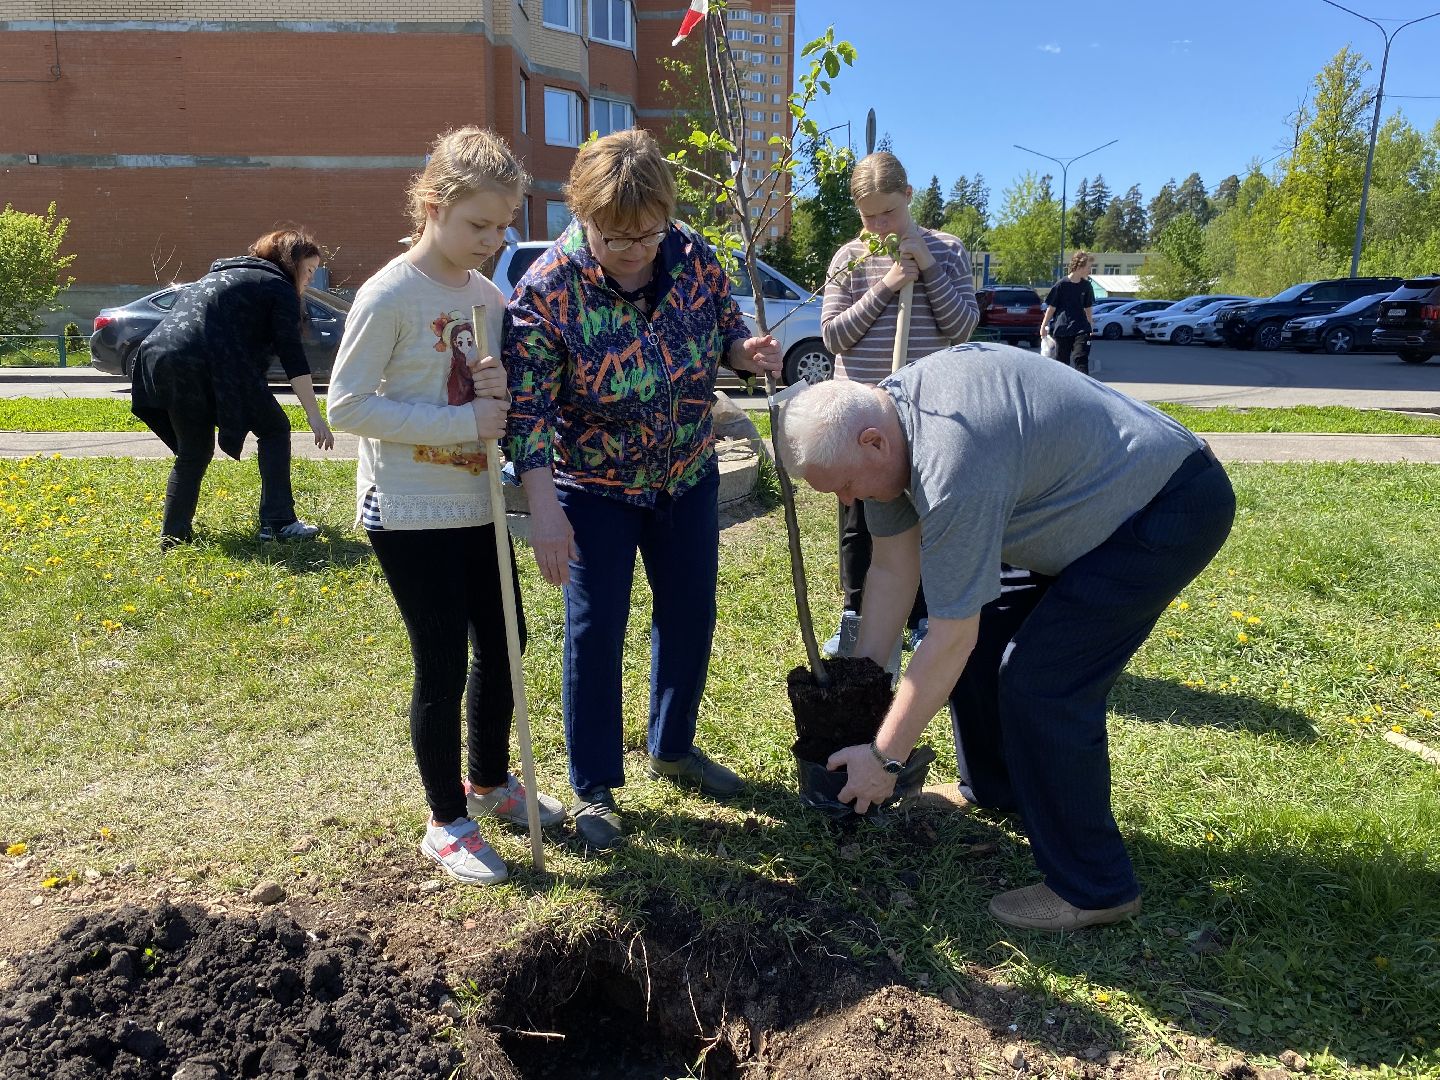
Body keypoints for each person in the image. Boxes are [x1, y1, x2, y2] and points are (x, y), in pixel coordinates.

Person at [779, 342, 1235, 931]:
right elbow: (893, 571)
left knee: (1041, 682)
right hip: (1082, 505)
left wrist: (884, 760)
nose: (847, 502)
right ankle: (994, 787)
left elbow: (947, 638)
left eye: (843, 485)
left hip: (1161, 507)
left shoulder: (952, 462)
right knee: (986, 633)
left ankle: (1094, 887)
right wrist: (860, 701)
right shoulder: (887, 426)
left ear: (872, 442)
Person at [503, 128, 781, 850]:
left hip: (686, 471)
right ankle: (594, 784)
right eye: (617, 236)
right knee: (597, 630)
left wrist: (744, 351)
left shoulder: (690, 253)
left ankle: (672, 744)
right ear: (582, 215)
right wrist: (543, 509)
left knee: (690, 611)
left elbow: (725, 327)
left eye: (648, 232)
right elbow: (527, 413)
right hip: (592, 486)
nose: (636, 249)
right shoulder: (546, 292)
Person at [328, 127, 565, 886]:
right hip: (407, 509)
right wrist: (462, 421)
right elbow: (347, 406)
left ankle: (490, 783)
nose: (494, 241)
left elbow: (491, 385)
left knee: (506, 646)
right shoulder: (390, 293)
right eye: (479, 226)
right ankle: (445, 820)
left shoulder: (488, 296)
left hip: (474, 502)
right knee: (442, 660)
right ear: (432, 206)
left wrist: (494, 388)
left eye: (504, 227)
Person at [819, 151, 979, 660]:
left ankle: (922, 615)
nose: (878, 225)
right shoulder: (850, 260)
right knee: (859, 516)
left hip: (928, 414)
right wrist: (886, 285)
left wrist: (927, 269)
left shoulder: (948, 251)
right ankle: (856, 611)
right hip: (859, 412)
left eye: (887, 212)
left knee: (927, 512)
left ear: (908, 196)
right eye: (868, 216)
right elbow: (833, 338)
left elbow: (962, 329)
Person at [130, 228, 335, 547]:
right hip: (210, 361)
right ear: (291, 263)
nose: (309, 280)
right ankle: (278, 522)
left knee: (194, 451)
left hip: (158, 357)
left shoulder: (221, 274)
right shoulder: (278, 286)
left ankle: (174, 536)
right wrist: (314, 415)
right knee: (275, 428)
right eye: (308, 271)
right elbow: (292, 356)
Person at [1040, 251, 1096, 373]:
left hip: (1081, 328)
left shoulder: (1086, 286)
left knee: (1080, 358)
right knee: (1061, 363)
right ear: (1080, 266)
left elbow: (1088, 306)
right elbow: (1052, 307)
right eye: (1088, 267)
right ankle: (1062, 389)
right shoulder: (1061, 285)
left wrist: (1090, 323)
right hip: (1062, 329)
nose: (1090, 271)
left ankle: (1083, 389)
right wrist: (1043, 325)